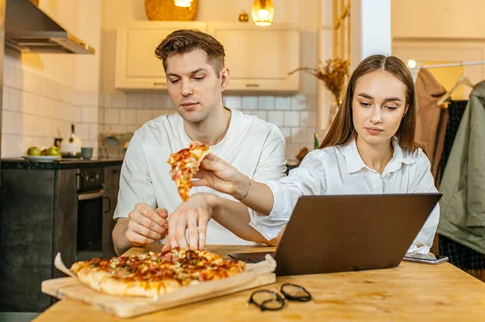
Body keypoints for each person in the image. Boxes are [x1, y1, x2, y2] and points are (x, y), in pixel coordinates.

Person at [164, 54, 440, 254]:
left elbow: (420, 241)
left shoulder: (415, 164)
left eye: (390, 107)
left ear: (405, 110)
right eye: (365, 103)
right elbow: (285, 199)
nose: (376, 117)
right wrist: (240, 185)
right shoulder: (323, 164)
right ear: (351, 104)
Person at [112, 30, 287, 255]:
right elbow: (118, 239)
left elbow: (276, 229)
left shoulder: (264, 138)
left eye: (197, 77)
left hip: (245, 269)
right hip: (170, 271)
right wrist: (133, 232)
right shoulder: (147, 139)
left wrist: (211, 203)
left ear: (222, 79)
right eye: (175, 80)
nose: (185, 90)